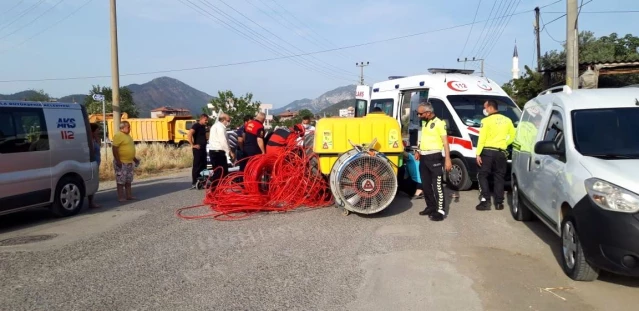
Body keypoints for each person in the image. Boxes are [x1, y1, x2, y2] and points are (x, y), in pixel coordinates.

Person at [414, 102, 452, 221]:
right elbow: (423, 138)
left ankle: (440, 211)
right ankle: (430, 206)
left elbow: (445, 142)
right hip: (424, 157)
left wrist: (447, 159)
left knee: (437, 186)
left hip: (435, 157)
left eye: (420, 114)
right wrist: (418, 150)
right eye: (417, 113)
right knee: (426, 185)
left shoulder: (439, 123)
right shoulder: (425, 123)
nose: (419, 116)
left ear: (428, 112)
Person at [475, 99, 516, 211]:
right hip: (501, 152)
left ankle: (486, 201)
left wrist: (478, 153)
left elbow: (482, 138)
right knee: (499, 177)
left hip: (487, 152)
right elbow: (513, 135)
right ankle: (499, 203)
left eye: (485, 107)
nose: (484, 110)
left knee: (482, 175)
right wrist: (504, 144)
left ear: (490, 107)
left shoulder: (485, 121)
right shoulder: (507, 120)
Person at [112, 121, 139, 202]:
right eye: (128, 127)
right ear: (122, 128)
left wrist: (135, 159)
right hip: (122, 162)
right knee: (121, 181)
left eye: (129, 127)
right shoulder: (118, 135)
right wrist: (118, 161)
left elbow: (129, 149)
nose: (129, 128)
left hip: (129, 162)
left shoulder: (128, 136)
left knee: (128, 180)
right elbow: (114, 149)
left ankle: (129, 196)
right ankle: (121, 197)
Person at [208, 113, 233, 184]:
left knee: (219, 171)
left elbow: (225, 141)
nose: (229, 122)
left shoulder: (216, 126)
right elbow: (223, 141)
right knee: (220, 172)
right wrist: (229, 152)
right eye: (228, 120)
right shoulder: (220, 127)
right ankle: (216, 190)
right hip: (218, 152)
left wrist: (229, 150)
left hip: (214, 151)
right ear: (223, 120)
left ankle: (218, 189)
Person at [188, 114, 210, 189]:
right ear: (202, 119)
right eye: (206, 120)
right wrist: (192, 145)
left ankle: (203, 181)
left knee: (204, 165)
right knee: (197, 166)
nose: (206, 121)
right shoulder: (196, 126)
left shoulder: (203, 127)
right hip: (197, 149)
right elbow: (189, 134)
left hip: (203, 148)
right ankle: (194, 182)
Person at [87, 123, 102, 208]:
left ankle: (92, 201)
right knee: (92, 181)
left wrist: (97, 138)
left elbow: (99, 146)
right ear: (92, 131)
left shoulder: (94, 139)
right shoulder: (90, 141)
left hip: (96, 163)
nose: (98, 131)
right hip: (93, 163)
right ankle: (91, 202)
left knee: (95, 181)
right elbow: (92, 152)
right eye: (97, 130)